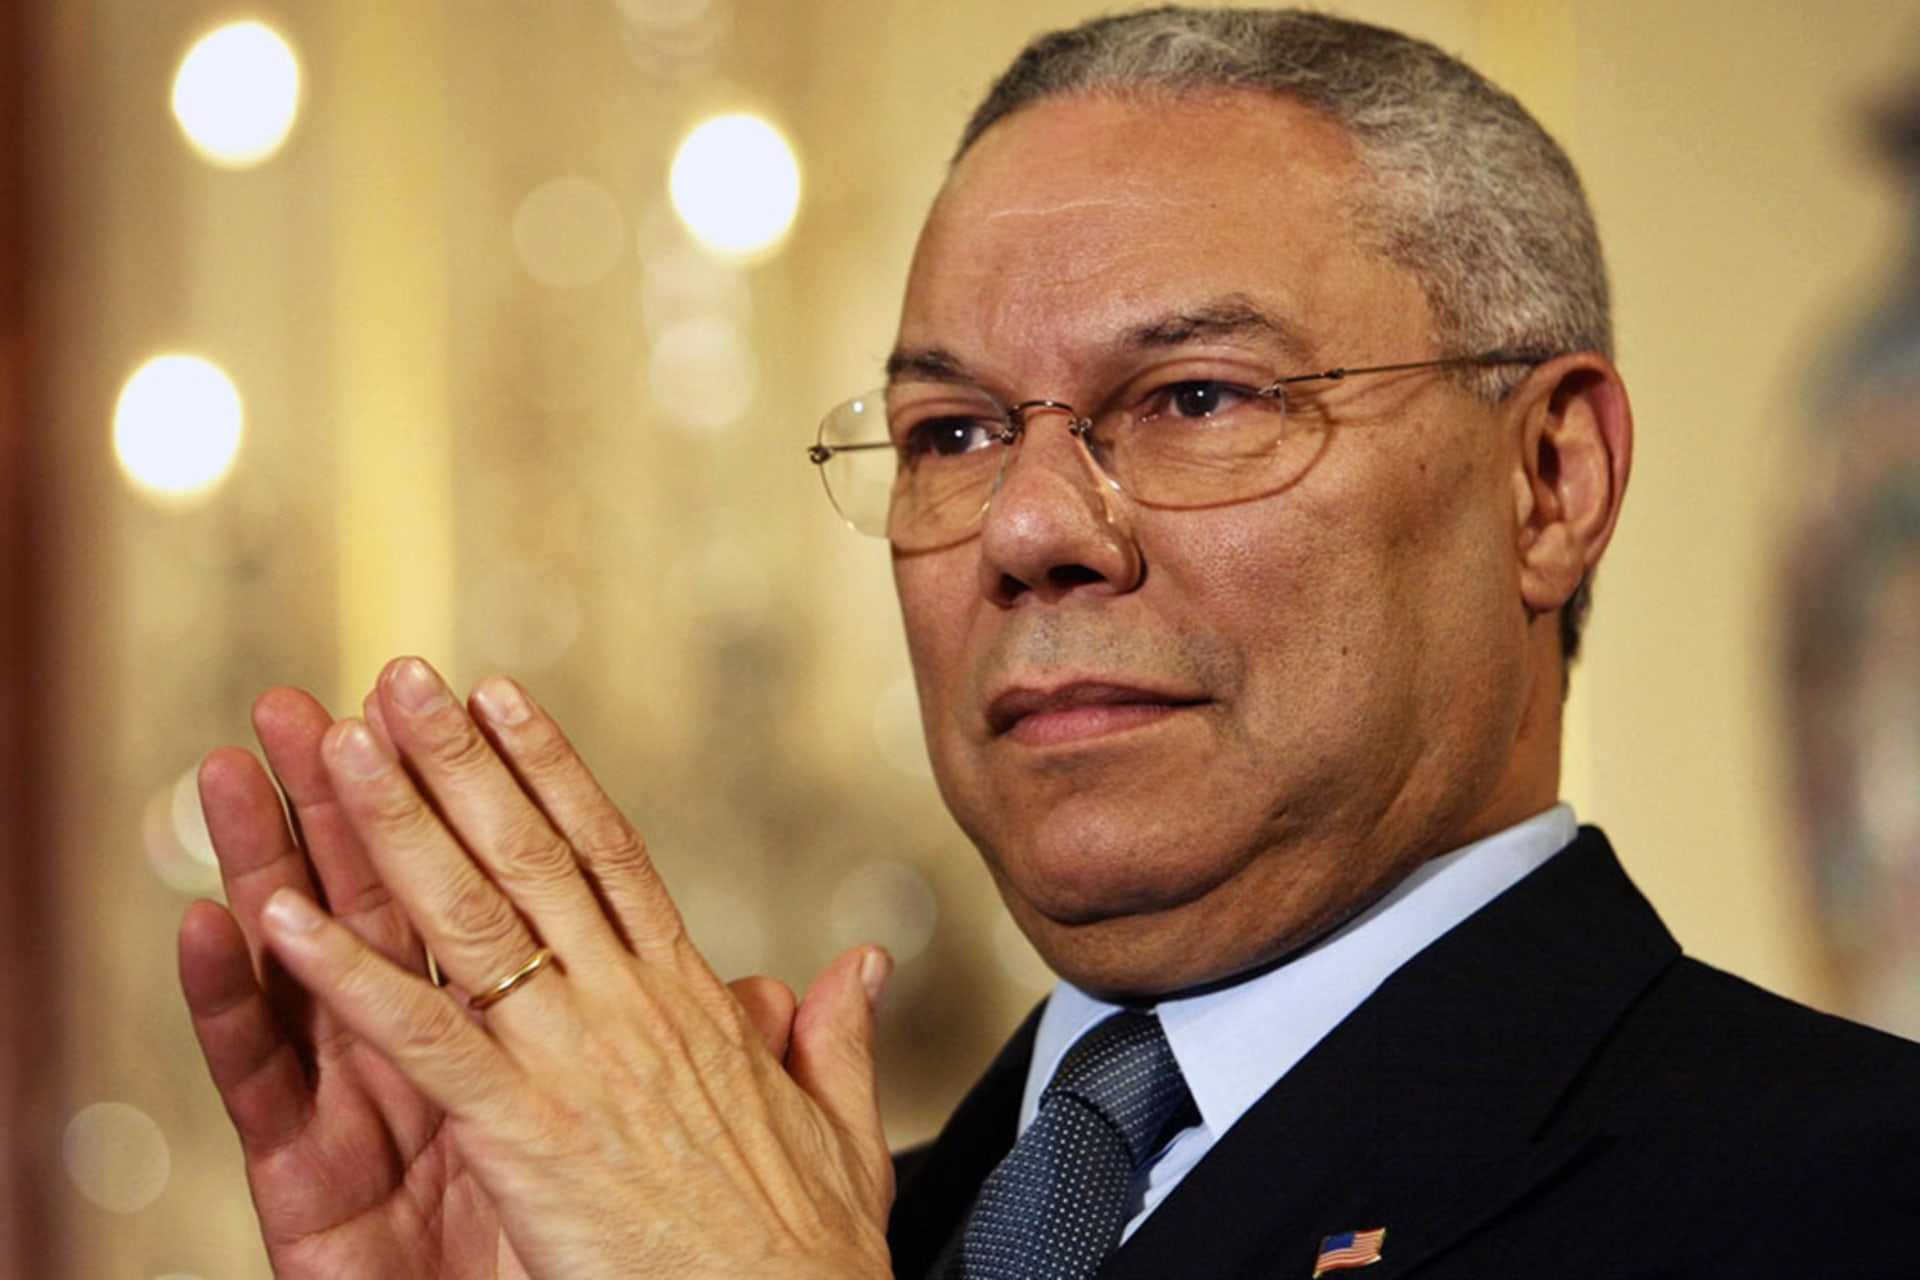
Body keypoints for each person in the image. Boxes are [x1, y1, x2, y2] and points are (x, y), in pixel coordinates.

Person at [178, 7, 1920, 1278]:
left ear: (1550, 481)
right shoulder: (852, 1229)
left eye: (1196, 399)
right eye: (947, 434)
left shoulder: (1842, 1194)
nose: (1027, 529)